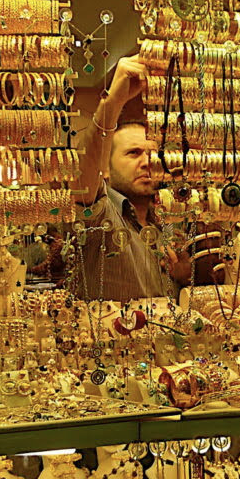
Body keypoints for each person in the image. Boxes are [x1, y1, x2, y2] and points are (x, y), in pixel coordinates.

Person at [69, 55, 192, 302]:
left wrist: (182, 274)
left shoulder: (165, 223)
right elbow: (83, 180)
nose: (147, 162)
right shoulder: (101, 216)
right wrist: (113, 101)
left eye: (152, 155)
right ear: (105, 168)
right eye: (133, 153)